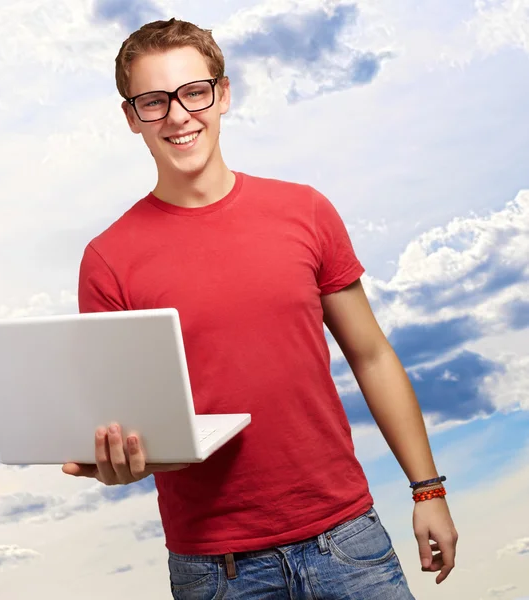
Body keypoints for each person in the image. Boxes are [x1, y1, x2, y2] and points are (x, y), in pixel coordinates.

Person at [62, 17, 458, 599]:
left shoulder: (305, 212)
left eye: (194, 92)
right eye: (154, 101)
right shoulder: (107, 260)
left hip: (347, 541)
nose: (178, 115)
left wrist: (428, 490)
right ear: (131, 117)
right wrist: (125, 461)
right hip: (216, 570)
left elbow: (371, 356)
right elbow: (128, 422)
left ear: (222, 94)